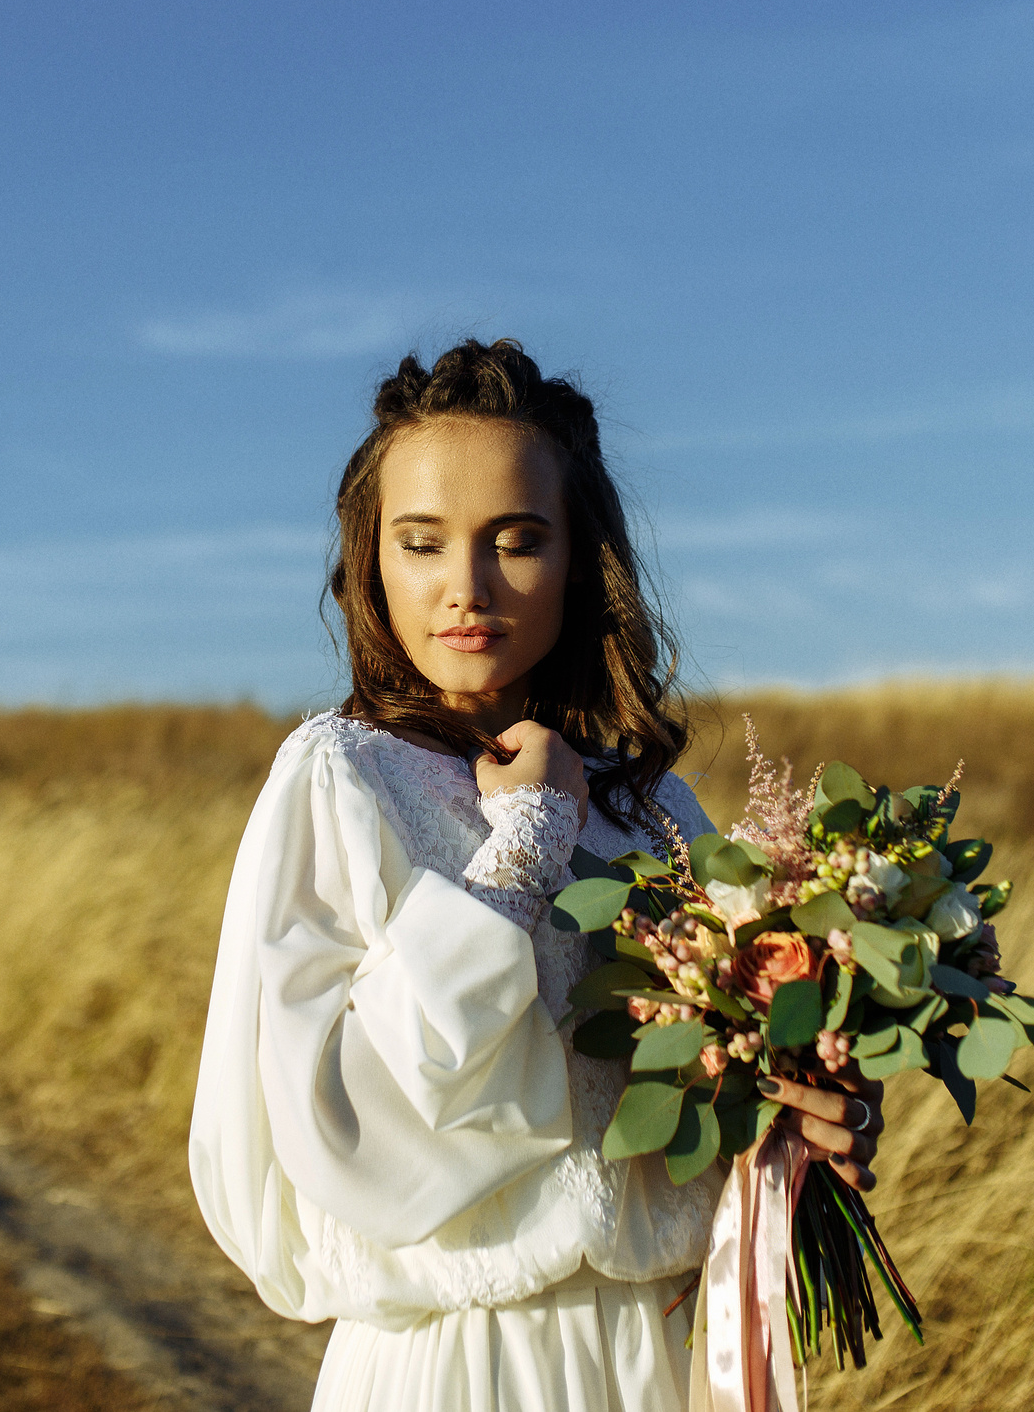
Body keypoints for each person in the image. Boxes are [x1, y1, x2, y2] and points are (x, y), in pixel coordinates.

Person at [190, 339, 885, 1412]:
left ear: (579, 558)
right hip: (458, 1361)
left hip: (659, 1355)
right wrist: (522, 845)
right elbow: (343, 1124)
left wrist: (800, 1114)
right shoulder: (341, 778)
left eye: (516, 540)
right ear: (372, 561)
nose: (464, 589)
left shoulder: (653, 807)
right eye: (422, 542)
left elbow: (694, 1111)